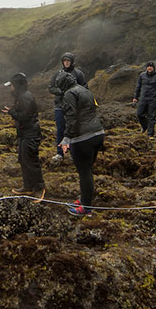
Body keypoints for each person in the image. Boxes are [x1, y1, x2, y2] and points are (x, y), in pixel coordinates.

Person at [59, 75, 105, 215]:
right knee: (87, 170)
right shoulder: (84, 90)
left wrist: (66, 138)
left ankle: (85, 207)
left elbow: (71, 117)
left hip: (83, 137)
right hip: (98, 133)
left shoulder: (69, 94)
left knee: (84, 172)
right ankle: (84, 199)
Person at [1, 72, 45, 199]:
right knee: (23, 159)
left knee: (31, 161)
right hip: (25, 133)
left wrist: (11, 112)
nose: (11, 88)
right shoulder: (22, 96)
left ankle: (39, 188)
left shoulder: (25, 97)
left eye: (12, 85)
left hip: (30, 134)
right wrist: (12, 111)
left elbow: (24, 116)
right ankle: (27, 187)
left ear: (17, 85)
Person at [48, 52, 86, 163]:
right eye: (64, 61)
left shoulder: (78, 73)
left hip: (74, 106)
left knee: (75, 129)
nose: (66, 63)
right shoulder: (57, 74)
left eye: (68, 61)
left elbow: (84, 87)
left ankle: (76, 153)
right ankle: (60, 153)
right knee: (60, 129)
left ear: (72, 61)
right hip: (60, 106)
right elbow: (51, 87)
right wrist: (60, 92)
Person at [131, 61, 156, 136]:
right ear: (146, 68)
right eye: (148, 66)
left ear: (153, 68)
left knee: (151, 117)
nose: (149, 68)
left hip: (153, 99)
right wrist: (135, 97)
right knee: (139, 114)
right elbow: (138, 87)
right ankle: (145, 126)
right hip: (143, 98)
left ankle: (150, 134)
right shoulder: (142, 75)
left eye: (151, 67)